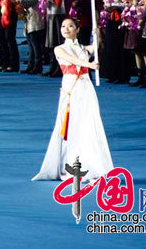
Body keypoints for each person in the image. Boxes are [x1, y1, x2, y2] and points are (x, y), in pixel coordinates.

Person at [32, 18, 114, 182]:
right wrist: (89, 65)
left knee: (88, 123)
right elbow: (73, 60)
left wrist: (96, 35)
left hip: (86, 88)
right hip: (70, 89)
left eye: (70, 26)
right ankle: (68, 164)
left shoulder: (83, 48)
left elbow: (94, 47)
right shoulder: (59, 49)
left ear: (77, 29)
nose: (66, 29)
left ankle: (91, 164)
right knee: (70, 124)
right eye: (63, 26)